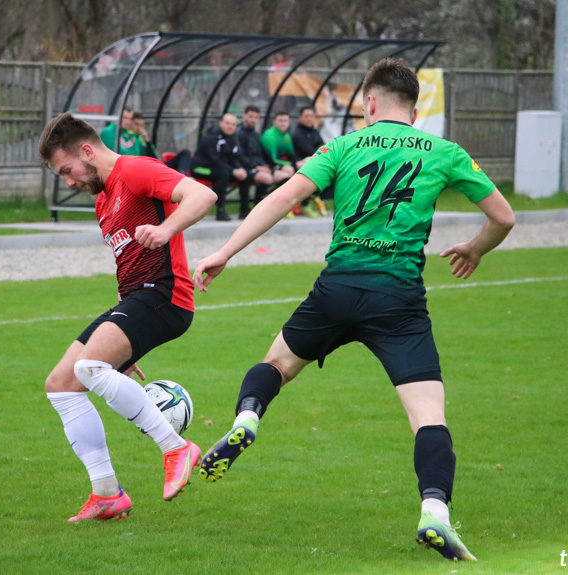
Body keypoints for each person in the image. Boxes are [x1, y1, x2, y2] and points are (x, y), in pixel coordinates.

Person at [193, 58, 514, 562]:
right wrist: (475, 247)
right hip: (399, 300)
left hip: (337, 288)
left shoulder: (341, 145)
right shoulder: (444, 152)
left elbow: (283, 198)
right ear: (414, 106)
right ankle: (435, 513)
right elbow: (503, 217)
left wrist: (223, 252)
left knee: (275, 365)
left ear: (368, 102)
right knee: (428, 416)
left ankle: (248, 418)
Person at [39, 112, 215, 522]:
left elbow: (202, 196)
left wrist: (166, 229)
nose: (69, 182)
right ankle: (106, 493)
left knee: (90, 366)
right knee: (62, 385)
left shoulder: (135, 170)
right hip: (137, 298)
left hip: (168, 296)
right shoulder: (104, 201)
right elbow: (127, 267)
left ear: (86, 151)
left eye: (68, 170)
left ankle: (176, 448)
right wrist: (123, 343)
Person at [191, 113, 248, 221]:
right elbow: (214, 160)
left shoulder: (231, 138)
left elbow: (232, 158)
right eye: (227, 123)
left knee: (245, 175)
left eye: (233, 124)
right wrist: (233, 171)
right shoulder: (211, 137)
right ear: (220, 123)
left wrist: (239, 169)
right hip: (200, 168)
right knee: (223, 174)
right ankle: (220, 210)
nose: (230, 126)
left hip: (218, 168)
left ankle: (244, 211)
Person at [260, 112, 309, 218]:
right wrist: (293, 164)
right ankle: (282, 206)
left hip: (279, 164)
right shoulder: (269, 136)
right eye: (280, 121)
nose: (283, 123)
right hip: (267, 165)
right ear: (275, 122)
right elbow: (273, 160)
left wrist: (299, 162)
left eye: (285, 121)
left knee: (305, 170)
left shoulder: (286, 136)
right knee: (288, 171)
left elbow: (291, 155)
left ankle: (304, 205)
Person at [235, 105, 277, 217]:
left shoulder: (256, 134)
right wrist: (257, 167)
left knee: (282, 175)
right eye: (251, 116)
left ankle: (267, 207)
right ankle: (258, 209)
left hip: (259, 167)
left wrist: (268, 165)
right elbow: (239, 155)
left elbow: (262, 153)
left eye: (255, 117)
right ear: (244, 117)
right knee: (267, 178)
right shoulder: (238, 132)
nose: (253, 119)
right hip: (245, 167)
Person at [291, 105, 330, 215]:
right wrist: (320, 149)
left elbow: (323, 147)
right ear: (300, 118)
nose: (309, 119)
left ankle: (319, 198)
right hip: (300, 165)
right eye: (306, 116)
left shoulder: (314, 132)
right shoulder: (297, 134)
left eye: (311, 116)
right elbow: (309, 151)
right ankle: (308, 202)